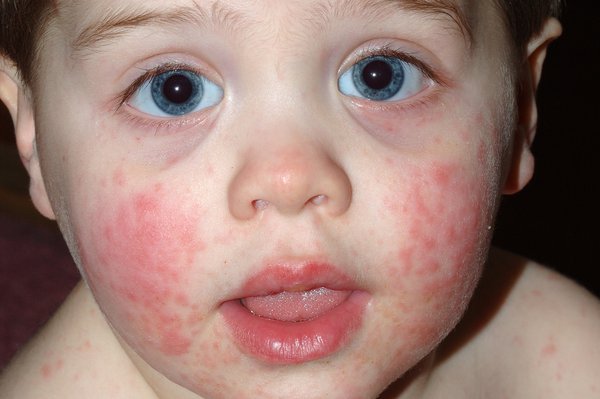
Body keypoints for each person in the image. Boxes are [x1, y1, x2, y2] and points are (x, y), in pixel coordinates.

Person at [0, 0, 598, 397]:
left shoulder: (569, 359)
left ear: (518, 108)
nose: (287, 181)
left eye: (382, 74)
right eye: (173, 90)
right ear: (33, 137)